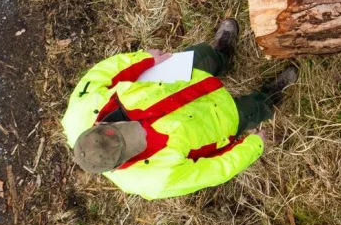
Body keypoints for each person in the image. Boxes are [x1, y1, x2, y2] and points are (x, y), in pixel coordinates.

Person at [61, 19, 297, 199]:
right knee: (251, 111)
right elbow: (214, 171)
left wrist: (146, 60)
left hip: (177, 78)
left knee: (203, 57)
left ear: (102, 124)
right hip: (215, 123)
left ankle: (221, 55)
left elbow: (104, 73)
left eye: (130, 130)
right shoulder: (154, 181)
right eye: (136, 144)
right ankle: (270, 95)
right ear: (116, 167)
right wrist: (252, 147)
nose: (142, 133)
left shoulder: (80, 111)